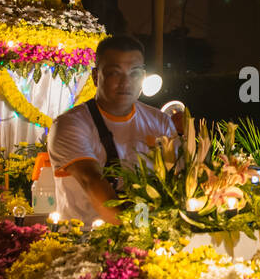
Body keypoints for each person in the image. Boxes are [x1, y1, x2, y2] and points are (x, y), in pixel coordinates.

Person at [46, 36, 175, 226]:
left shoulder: (160, 123)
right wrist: (134, 233)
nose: (126, 82)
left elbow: (175, 182)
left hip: (147, 234)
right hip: (84, 239)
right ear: (96, 76)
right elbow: (92, 180)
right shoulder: (70, 124)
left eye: (135, 73)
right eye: (115, 73)